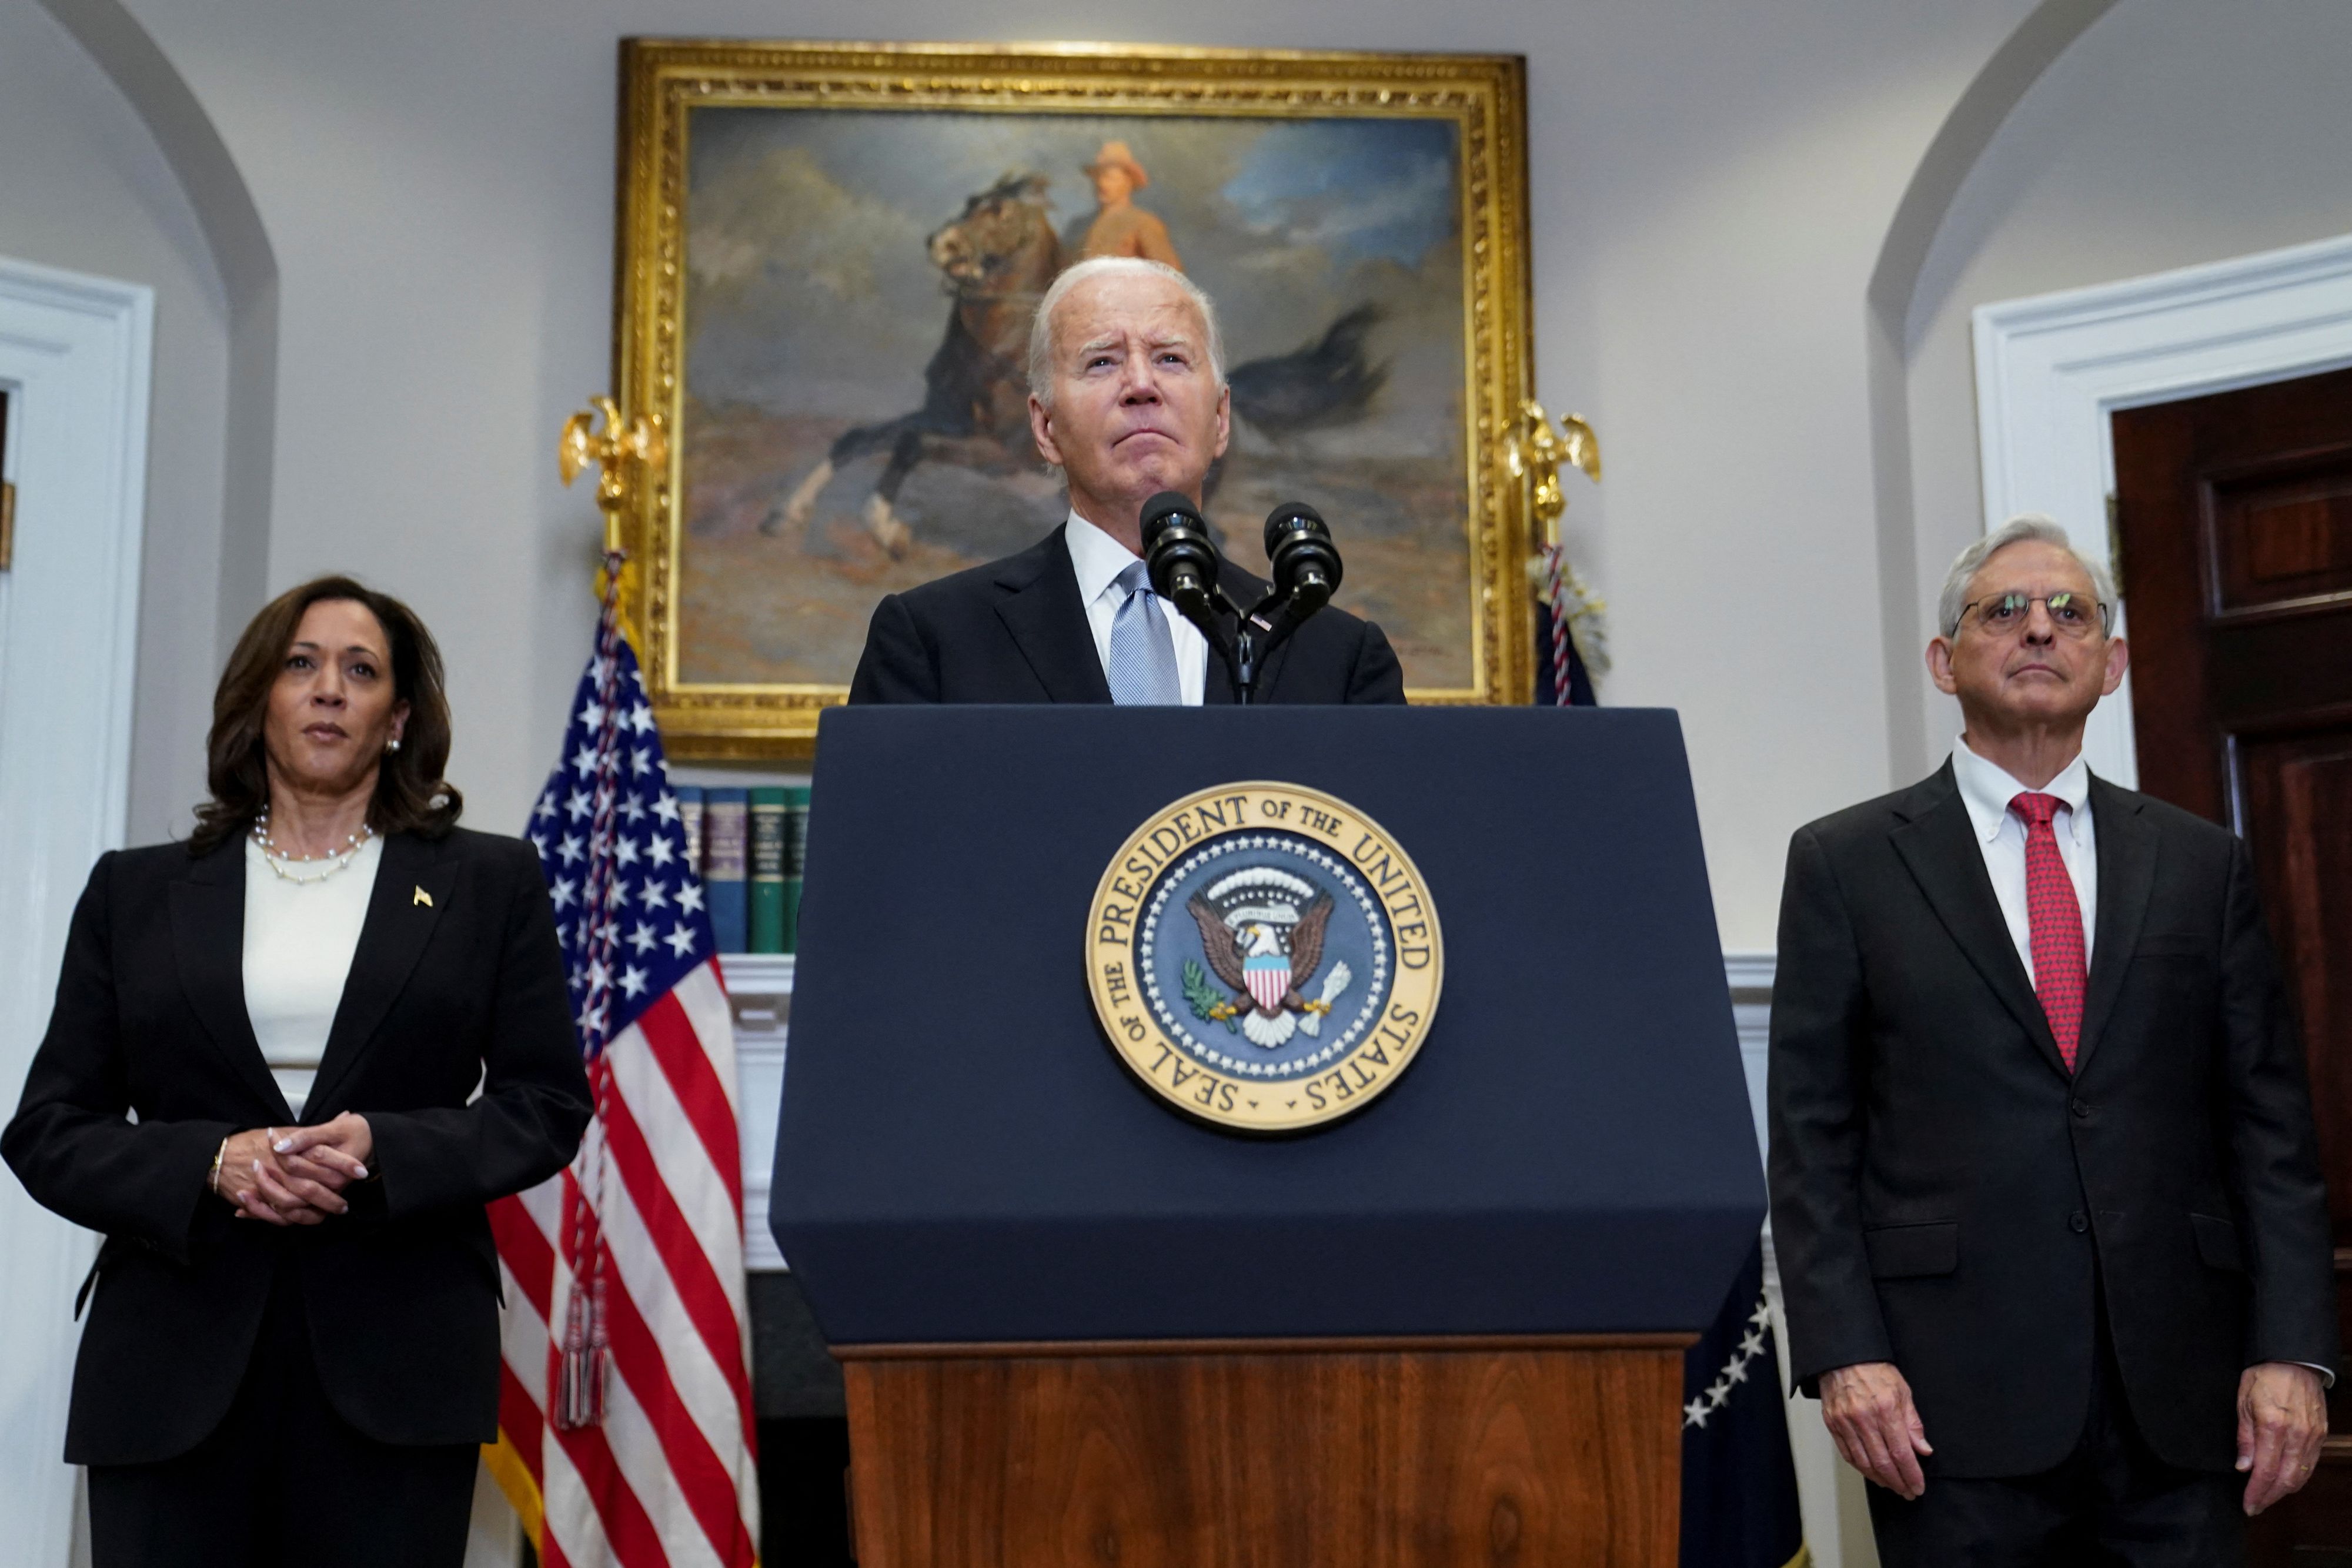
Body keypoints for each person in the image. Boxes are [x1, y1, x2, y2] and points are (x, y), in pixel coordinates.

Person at [1767, 516, 2336, 1564]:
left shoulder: (2204, 865)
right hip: (1946, 1412)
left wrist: (2294, 1350)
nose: (2040, 629)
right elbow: (1813, 1141)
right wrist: (1846, 1353)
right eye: (2005, 610)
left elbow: (2271, 1130)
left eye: (2070, 612)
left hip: (2185, 1402)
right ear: (1946, 661)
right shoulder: (1846, 864)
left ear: (2110, 663)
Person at [3, 576, 592, 1567]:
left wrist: (385, 1149)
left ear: (398, 718)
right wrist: (209, 1163)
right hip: (170, 1363)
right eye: (302, 663)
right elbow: (50, 1125)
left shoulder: (488, 883)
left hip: (398, 1360)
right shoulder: (135, 892)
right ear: (259, 700)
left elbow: (546, 1104)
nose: (329, 689)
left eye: (361, 670)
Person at [848, 255, 1405, 706]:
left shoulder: (1339, 660)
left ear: (1220, 419)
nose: (1141, 385)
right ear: (1044, 427)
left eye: (1170, 359)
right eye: (1102, 363)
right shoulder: (932, 641)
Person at [1075, 140, 1182, 269]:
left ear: (1129, 182)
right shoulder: (1082, 226)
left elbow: (1169, 275)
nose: (1102, 184)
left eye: (1111, 178)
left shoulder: (1144, 222)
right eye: (1098, 178)